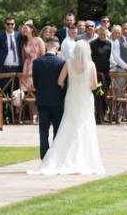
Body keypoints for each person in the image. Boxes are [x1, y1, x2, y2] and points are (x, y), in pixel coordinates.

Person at [28, 39, 104, 175]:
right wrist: (97, 87)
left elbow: (60, 81)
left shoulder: (68, 63)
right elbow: (93, 85)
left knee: (68, 124)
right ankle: (84, 158)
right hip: (85, 98)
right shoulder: (91, 65)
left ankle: (59, 157)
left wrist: (70, 86)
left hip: (72, 97)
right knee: (85, 126)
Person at [29, 38, 67, 160]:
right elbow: (63, 84)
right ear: (57, 47)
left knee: (43, 131)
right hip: (57, 101)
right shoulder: (61, 62)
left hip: (42, 101)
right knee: (57, 130)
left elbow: (35, 83)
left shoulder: (37, 62)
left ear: (46, 46)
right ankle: (55, 156)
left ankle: (44, 157)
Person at [18, 23, 46, 122]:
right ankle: (32, 116)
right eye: (23, 29)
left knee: (37, 90)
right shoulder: (24, 43)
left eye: (26, 28)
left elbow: (43, 55)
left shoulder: (39, 40)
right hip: (27, 67)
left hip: (37, 65)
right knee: (29, 91)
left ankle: (40, 115)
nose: (24, 30)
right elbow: (24, 57)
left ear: (31, 29)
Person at [89, 25, 113, 123]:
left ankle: (103, 113)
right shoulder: (92, 44)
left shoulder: (109, 44)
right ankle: (98, 114)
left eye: (105, 34)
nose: (103, 35)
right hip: (96, 74)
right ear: (98, 33)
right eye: (101, 33)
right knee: (98, 93)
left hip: (106, 74)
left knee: (104, 93)